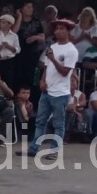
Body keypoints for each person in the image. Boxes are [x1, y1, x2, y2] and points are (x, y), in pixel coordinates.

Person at [24, 18, 79, 156]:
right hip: (47, 90)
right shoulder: (53, 47)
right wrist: (42, 80)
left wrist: (54, 59)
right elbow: (46, 67)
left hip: (60, 92)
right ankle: (34, 148)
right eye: (56, 29)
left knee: (58, 124)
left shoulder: (71, 50)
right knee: (40, 121)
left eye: (61, 29)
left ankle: (54, 150)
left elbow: (65, 72)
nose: (58, 31)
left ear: (68, 31)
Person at [0, 13, 21, 88]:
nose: (1, 24)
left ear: (9, 24)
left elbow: (18, 50)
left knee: (8, 81)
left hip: (9, 61)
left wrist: (8, 46)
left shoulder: (14, 36)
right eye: (0, 22)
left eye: (3, 22)